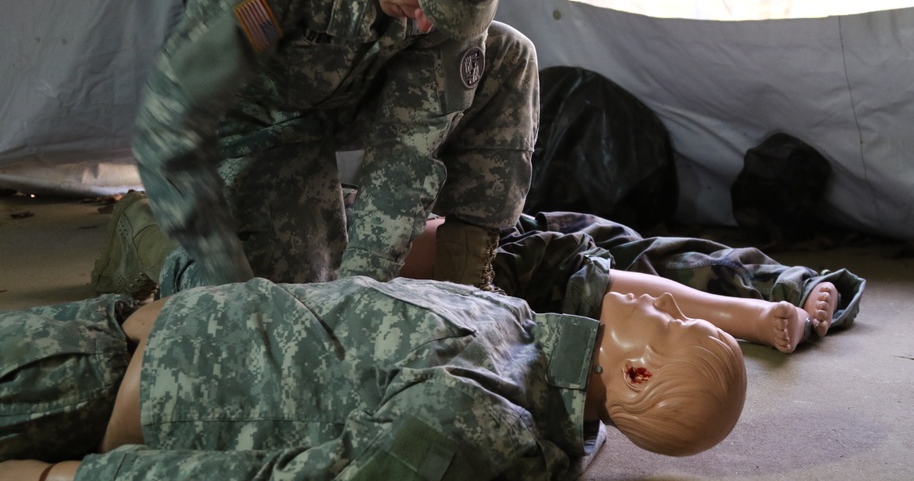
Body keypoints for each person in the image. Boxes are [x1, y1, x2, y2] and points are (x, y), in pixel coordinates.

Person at [94, 0, 540, 299]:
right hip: (260, 119)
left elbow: (408, 152)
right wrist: (228, 282)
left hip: (354, 97)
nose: (429, 22)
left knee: (509, 55)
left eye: (453, 8)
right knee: (272, 300)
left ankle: (463, 286)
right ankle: (145, 230)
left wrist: (359, 290)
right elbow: (169, 126)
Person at [0, 277, 747, 480]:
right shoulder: (519, 328)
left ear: (639, 370)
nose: (655, 299)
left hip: (90, 383)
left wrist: (64, 479)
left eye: (668, 319)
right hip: (112, 332)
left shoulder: (479, 415)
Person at [95, 193, 865, 354]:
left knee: (582, 246)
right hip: (460, 271)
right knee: (576, 261)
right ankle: (763, 302)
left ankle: (772, 292)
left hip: (463, 259)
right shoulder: (184, 253)